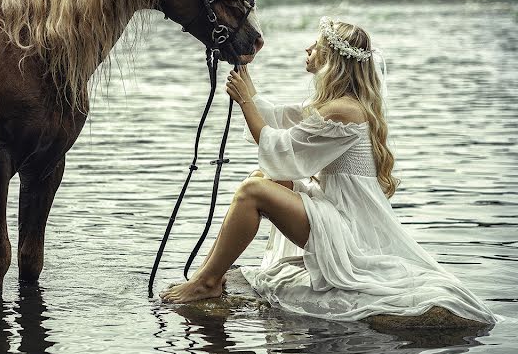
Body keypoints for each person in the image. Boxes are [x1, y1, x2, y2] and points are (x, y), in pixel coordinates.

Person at [161, 17, 497, 325]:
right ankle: (211, 274)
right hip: (334, 210)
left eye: (316, 46)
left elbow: (279, 149)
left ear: (333, 59)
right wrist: (243, 73)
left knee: (254, 192)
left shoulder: (343, 111)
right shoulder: (336, 105)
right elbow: (278, 119)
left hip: (348, 228)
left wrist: (247, 101)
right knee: (263, 178)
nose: (307, 49)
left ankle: (206, 283)